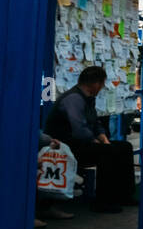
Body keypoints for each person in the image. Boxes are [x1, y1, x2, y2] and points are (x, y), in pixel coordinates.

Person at [44, 66, 137, 213]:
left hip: (81, 143)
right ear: (95, 83)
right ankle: (104, 201)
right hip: (67, 145)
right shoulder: (74, 99)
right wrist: (97, 142)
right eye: (101, 84)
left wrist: (104, 140)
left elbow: (95, 123)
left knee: (124, 147)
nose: (101, 88)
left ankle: (124, 195)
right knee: (107, 153)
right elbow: (79, 129)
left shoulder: (89, 99)